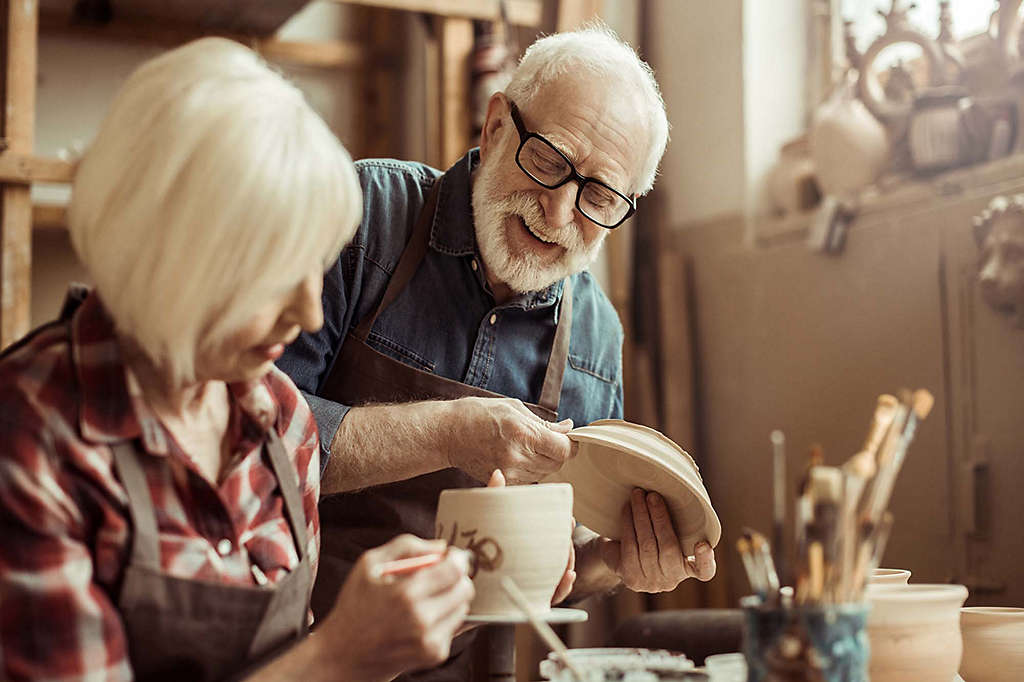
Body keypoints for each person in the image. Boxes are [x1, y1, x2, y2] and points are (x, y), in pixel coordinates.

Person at [0, 38, 473, 682]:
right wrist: (341, 656)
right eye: (278, 276)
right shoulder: (32, 439)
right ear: (168, 257)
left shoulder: (281, 418)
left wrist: (406, 626)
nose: (309, 314)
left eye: (318, 267)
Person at [278, 24, 716, 679]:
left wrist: (618, 561)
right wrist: (450, 433)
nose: (559, 212)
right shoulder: (365, 217)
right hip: (307, 656)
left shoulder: (596, 335)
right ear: (494, 128)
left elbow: (560, 564)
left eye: (597, 196)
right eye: (548, 161)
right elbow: (248, 448)